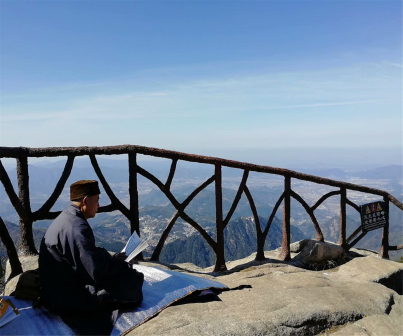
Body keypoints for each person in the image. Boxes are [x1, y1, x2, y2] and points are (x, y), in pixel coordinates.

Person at [39, 180, 144, 335]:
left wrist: (112, 258)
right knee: (132, 282)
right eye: (96, 200)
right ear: (85, 201)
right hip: (66, 298)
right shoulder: (77, 229)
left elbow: (87, 255)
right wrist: (125, 265)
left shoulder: (67, 218)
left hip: (56, 289)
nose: (99, 205)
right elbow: (97, 273)